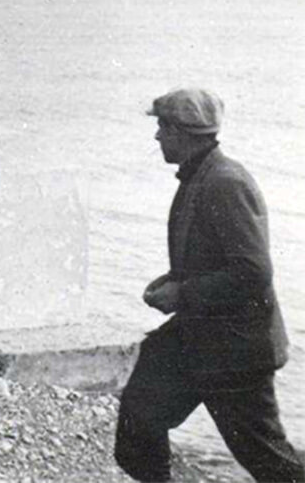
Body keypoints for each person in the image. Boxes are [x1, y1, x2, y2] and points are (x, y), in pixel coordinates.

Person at [115, 88, 304, 482]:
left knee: (269, 461)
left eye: (162, 127)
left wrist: (181, 293)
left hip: (236, 349)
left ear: (184, 132)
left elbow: (253, 273)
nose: (157, 137)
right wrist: (174, 280)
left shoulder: (224, 182)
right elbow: (216, 258)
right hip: (202, 336)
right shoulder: (202, 174)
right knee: (140, 416)